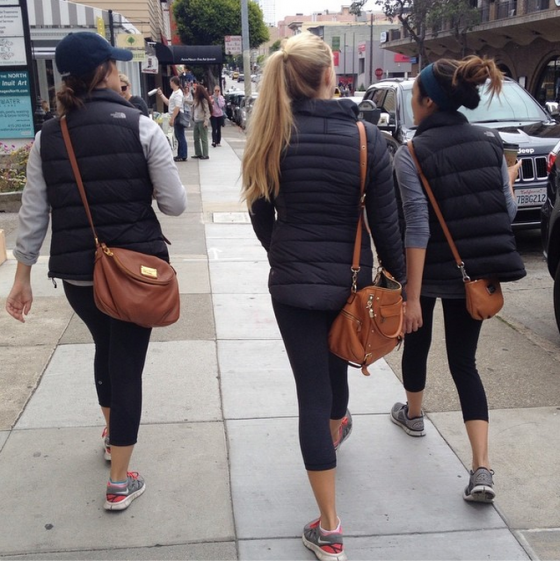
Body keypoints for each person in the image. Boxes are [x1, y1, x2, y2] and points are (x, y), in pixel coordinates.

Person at [5, 32, 187, 512]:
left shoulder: (49, 135)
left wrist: (22, 278)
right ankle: (120, 481)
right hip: (134, 273)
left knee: (105, 351)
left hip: (79, 277)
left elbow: (33, 212)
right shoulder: (141, 126)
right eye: (115, 64)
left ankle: (112, 436)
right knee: (127, 367)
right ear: (105, 71)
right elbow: (175, 204)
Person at [241, 32, 406, 561]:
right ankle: (333, 441)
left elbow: (260, 214)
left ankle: (329, 525)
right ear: (330, 75)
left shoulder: (273, 134)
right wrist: (400, 286)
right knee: (336, 370)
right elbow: (387, 224)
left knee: (311, 392)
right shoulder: (365, 139)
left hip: (291, 287)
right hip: (349, 282)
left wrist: (283, 253)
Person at [390, 56, 526, 504]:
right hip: (474, 275)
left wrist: (411, 296)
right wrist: (508, 181)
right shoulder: (489, 143)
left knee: (418, 343)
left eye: (415, 94)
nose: (413, 101)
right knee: (464, 363)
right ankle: (481, 468)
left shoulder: (411, 153)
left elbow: (417, 227)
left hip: (429, 274)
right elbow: (507, 211)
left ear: (429, 101)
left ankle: (413, 416)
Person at [157, 76, 187, 162]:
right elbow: (169, 103)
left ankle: (182, 154)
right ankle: (180, 154)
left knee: (180, 136)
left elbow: (177, 107)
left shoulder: (178, 93)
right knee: (178, 135)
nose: (169, 84)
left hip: (177, 116)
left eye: (170, 82)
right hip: (175, 115)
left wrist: (172, 118)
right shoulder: (174, 93)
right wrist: (161, 95)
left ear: (173, 82)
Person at [191, 84, 211, 160]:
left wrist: (206, 121)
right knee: (196, 138)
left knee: (203, 138)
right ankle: (198, 153)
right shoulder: (196, 100)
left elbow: (207, 111)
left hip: (202, 121)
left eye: (195, 89)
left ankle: (205, 154)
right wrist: (184, 100)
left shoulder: (204, 100)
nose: (194, 91)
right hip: (196, 121)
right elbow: (191, 103)